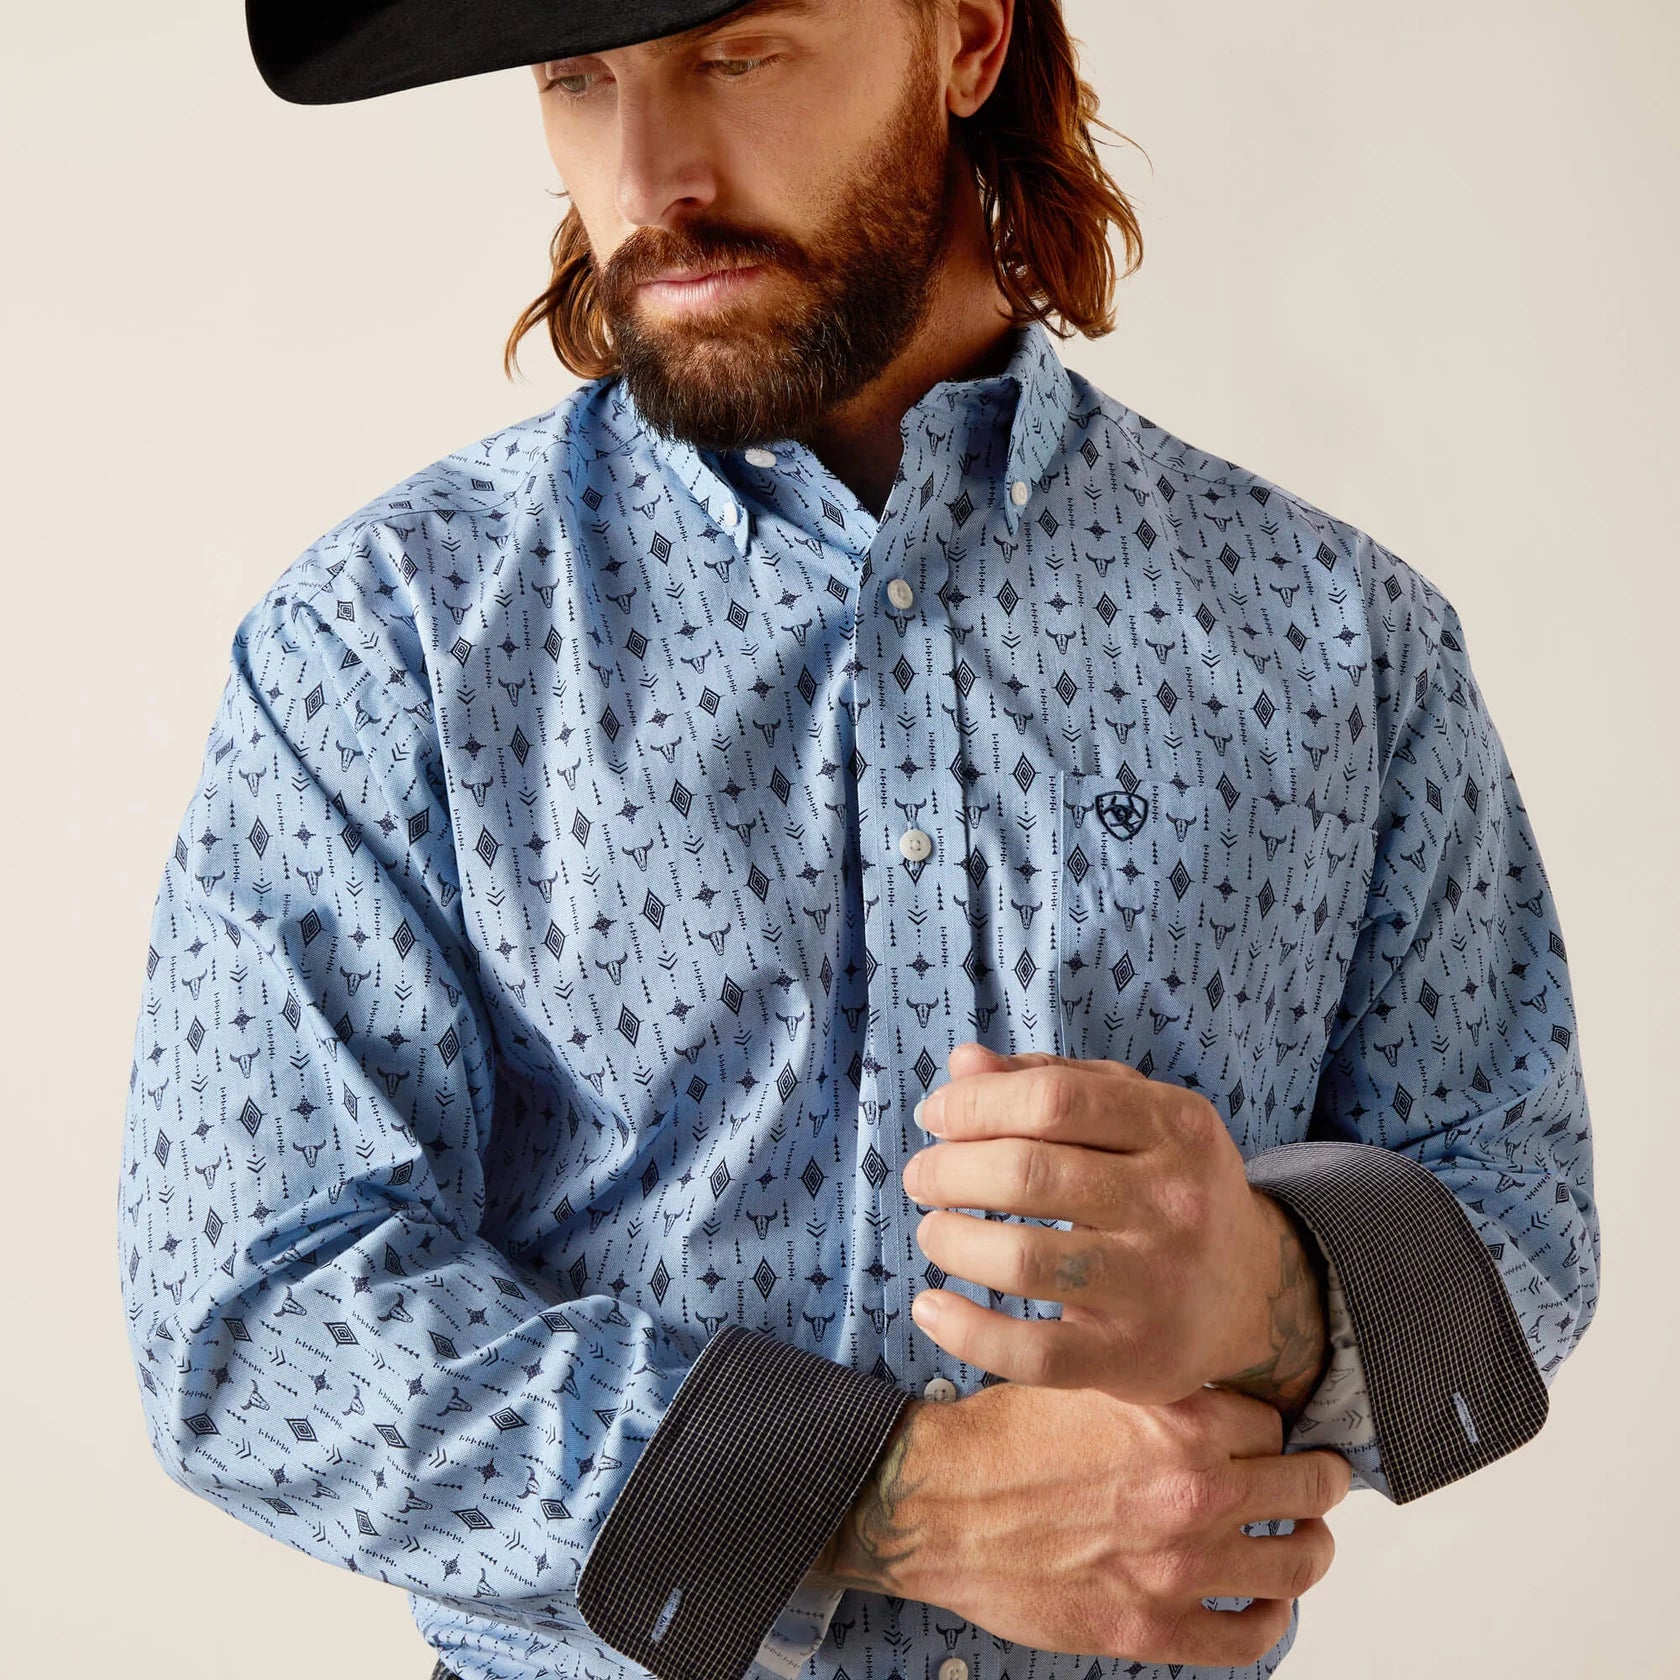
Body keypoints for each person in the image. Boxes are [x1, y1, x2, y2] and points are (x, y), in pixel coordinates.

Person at [119, 2, 1600, 1678]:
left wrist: (1271, 1292)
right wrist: (895, 1497)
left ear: (965, 40)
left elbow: (1523, 1209)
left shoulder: (1344, 638)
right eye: (577, 80)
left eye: (737, 56)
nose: (649, 176)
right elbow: (251, 1316)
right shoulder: (384, 647)